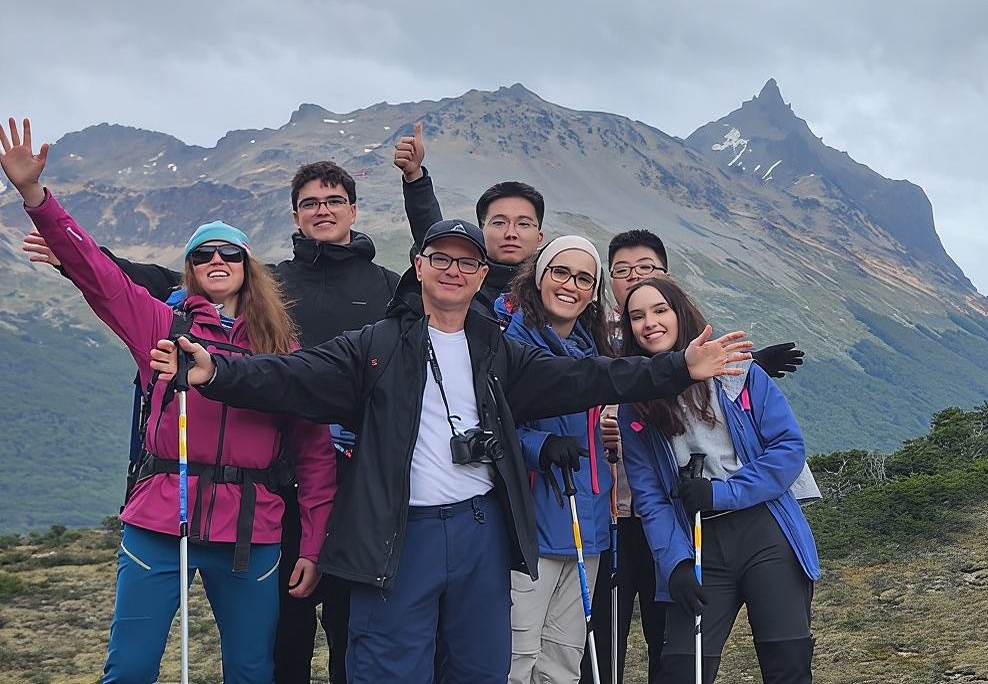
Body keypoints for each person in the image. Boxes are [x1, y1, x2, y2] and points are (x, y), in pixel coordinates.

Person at [148, 217, 754, 684]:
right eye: (441, 258)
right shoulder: (373, 347)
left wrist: (679, 367)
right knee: (390, 668)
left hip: (479, 532)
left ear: (482, 275)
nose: (454, 271)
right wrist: (217, 372)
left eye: (468, 262)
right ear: (419, 266)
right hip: (398, 535)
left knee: (479, 667)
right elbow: (292, 375)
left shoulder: (498, 352)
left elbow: (589, 377)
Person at [21, 124, 441, 684]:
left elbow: (314, 452)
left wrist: (312, 543)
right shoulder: (161, 326)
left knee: (257, 667)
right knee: (133, 668)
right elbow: (103, 278)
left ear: (248, 269)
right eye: (203, 254)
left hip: (256, 525)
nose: (217, 260)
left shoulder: (282, 348)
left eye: (230, 253)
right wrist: (36, 197)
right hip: (164, 517)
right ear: (190, 269)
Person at [583, 229, 807, 684]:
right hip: (697, 540)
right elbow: (650, 497)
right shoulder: (636, 406)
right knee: (682, 669)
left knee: (787, 664)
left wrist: (722, 493)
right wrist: (677, 564)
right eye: (637, 316)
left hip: (765, 531)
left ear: (680, 312)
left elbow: (787, 451)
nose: (650, 323)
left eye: (660, 310)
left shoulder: (740, 376)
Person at [500, 236, 614, 683]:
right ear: (539, 277)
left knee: (564, 659)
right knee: (517, 656)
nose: (571, 285)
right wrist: (539, 445)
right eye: (561, 272)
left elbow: (655, 366)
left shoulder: (593, 351)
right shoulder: (509, 344)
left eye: (584, 279)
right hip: (530, 527)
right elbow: (487, 423)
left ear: (593, 293)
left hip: (587, 524)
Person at [474, 181, 546, 319]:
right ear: (481, 232)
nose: (511, 233)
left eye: (523, 224)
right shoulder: (459, 286)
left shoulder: (554, 295)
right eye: (499, 223)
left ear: (539, 237)